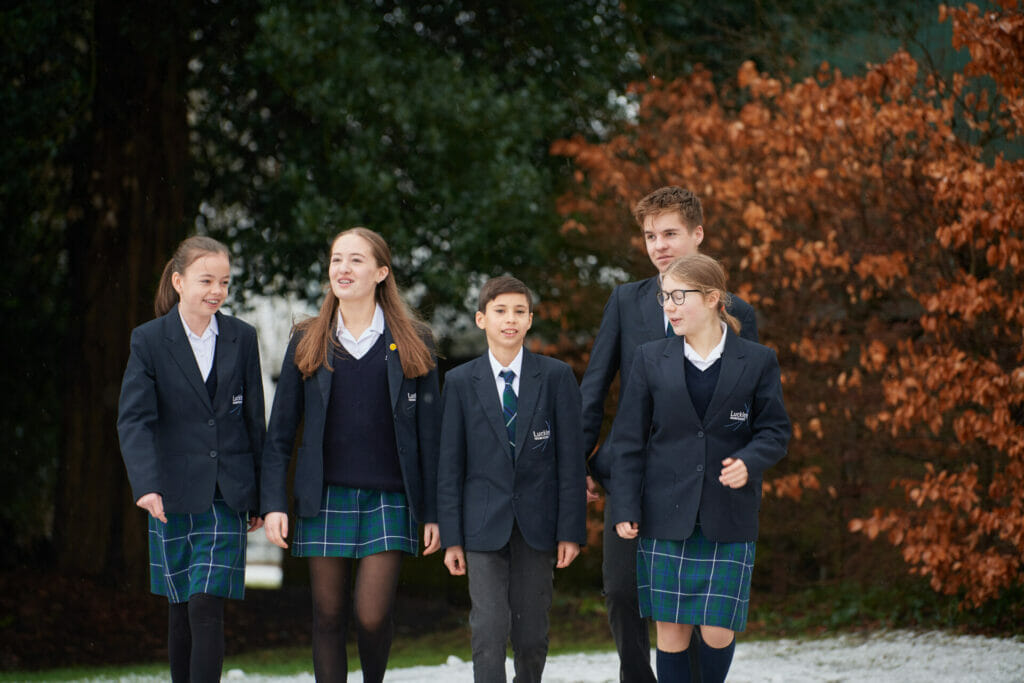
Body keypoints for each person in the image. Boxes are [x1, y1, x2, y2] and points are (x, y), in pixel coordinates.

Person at [579, 185, 759, 682]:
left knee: (696, 602)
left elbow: (747, 405)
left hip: (702, 479)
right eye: (649, 236)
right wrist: (580, 462)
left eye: (670, 233)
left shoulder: (737, 313)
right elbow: (595, 385)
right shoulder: (625, 301)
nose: (658, 245)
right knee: (621, 590)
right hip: (629, 473)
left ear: (698, 234)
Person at [260, 227, 442, 683]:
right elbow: (280, 433)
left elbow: (431, 439)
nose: (343, 268)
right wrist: (274, 504)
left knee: (372, 616)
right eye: (337, 258)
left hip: (391, 498)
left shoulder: (415, 339)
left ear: (381, 272)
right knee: (327, 616)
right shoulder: (307, 338)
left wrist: (436, 513)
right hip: (323, 498)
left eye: (356, 260)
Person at [610, 254, 791, 682]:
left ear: (712, 298)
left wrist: (749, 462)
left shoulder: (758, 360)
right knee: (671, 631)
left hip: (727, 514)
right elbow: (629, 441)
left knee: (716, 630)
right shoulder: (649, 358)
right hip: (663, 513)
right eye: (664, 297)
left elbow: (775, 431)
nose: (668, 306)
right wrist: (624, 506)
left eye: (678, 296)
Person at [117, 235, 266, 683]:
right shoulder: (148, 340)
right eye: (206, 280)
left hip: (227, 492)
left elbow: (254, 420)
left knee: (205, 602)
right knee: (180, 606)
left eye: (223, 281)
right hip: (171, 493)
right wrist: (145, 485)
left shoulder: (242, 336)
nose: (216, 291)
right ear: (179, 281)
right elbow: (134, 420)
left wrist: (260, 495)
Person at [437, 276, 587, 683]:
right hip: (482, 527)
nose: (510, 320)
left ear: (530, 320)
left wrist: (570, 531)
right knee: (488, 628)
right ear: (481, 319)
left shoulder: (556, 377)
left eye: (519, 312)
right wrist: (451, 537)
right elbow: (449, 466)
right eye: (501, 311)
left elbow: (572, 464)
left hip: (538, 526)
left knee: (532, 632)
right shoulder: (459, 382)